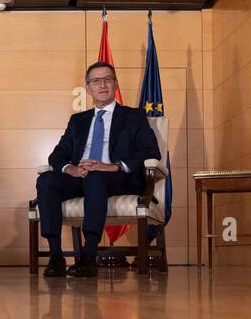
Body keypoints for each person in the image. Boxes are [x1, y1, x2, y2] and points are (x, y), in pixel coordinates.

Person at [35, 61, 159, 277]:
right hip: (79, 176)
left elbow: (150, 152)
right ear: (88, 88)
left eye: (107, 79)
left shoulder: (134, 117)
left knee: (95, 178)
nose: (102, 85)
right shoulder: (78, 121)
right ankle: (56, 257)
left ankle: (89, 255)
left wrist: (112, 166)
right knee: (46, 181)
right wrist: (70, 169)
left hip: (115, 178)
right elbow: (57, 155)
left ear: (115, 84)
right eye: (96, 81)